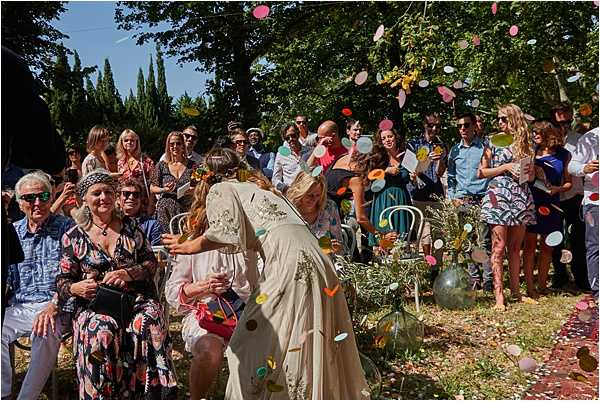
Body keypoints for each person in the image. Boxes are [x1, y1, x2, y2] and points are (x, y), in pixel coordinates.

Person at [162, 148, 369, 399]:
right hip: (318, 262)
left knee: (246, 345)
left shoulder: (223, 188)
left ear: (210, 178)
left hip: (289, 266)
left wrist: (187, 246)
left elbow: (225, 232)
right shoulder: (264, 189)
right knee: (303, 342)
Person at [56, 169, 177, 399]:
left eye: (108, 192)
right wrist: (77, 287)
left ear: (115, 196)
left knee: (149, 321)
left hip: (135, 300)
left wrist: (128, 273)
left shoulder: (131, 228)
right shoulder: (73, 236)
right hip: (95, 306)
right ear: (84, 200)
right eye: (96, 193)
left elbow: (151, 263)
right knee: (100, 331)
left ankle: (151, 393)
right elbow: (62, 281)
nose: (103, 198)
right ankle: (101, 393)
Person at [165, 176, 256, 398]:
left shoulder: (251, 237)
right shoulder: (193, 239)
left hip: (249, 312)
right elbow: (173, 292)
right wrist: (204, 287)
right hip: (207, 315)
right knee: (208, 350)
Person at [1, 172, 73, 400]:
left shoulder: (67, 228)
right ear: (20, 203)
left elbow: (75, 274)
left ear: (52, 197)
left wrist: (54, 305)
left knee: (45, 329)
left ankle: (26, 398)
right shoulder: (11, 232)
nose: (37, 203)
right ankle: (2, 394)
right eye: (29, 198)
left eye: (43, 196)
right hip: (20, 304)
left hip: (55, 304)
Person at [478, 104, 536, 311]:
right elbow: (481, 172)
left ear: (514, 119)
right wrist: (505, 167)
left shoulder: (527, 144)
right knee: (499, 247)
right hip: (498, 196)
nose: (500, 122)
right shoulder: (492, 142)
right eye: (498, 119)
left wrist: (528, 173)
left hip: (520, 195)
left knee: (515, 247)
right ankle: (499, 295)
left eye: (503, 118)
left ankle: (516, 292)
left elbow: (532, 176)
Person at [523, 121, 572, 298]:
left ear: (548, 133)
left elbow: (568, 183)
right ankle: (530, 287)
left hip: (552, 204)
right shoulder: (530, 151)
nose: (534, 134)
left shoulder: (563, 154)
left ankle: (543, 286)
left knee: (547, 247)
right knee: (528, 246)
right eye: (533, 131)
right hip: (532, 202)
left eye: (538, 132)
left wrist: (556, 189)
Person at [447, 113, 492, 291]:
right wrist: (453, 198)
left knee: (485, 241)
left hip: (481, 199)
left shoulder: (484, 148)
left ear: (474, 126)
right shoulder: (454, 150)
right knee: (467, 242)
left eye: (466, 125)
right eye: (459, 126)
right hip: (462, 200)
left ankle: (489, 279)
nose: (463, 129)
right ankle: (474, 277)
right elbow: (450, 177)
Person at [550, 103, 588, 290]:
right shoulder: (546, 143)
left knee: (578, 238)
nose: (563, 126)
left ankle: (581, 276)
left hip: (574, 196)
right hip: (554, 197)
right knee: (555, 237)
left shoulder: (581, 140)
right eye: (559, 122)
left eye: (567, 121)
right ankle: (559, 274)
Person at [407, 113, 448, 259]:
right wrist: (425, 162)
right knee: (423, 233)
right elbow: (410, 171)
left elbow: (440, 173)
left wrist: (440, 161)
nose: (434, 128)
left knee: (439, 233)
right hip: (418, 194)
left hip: (436, 194)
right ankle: (427, 262)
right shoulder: (413, 144)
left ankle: (436, 266)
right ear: (425, 125)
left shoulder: (442, 145)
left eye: (437, 125)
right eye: (431, 125)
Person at [367, 128, 412, 248]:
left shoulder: (406, 156)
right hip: (383, 199)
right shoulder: (377, 157)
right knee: (385, 237)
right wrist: (385, 171)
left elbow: (414, 178)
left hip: (401, 198)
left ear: (395, 137)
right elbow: (369, 177)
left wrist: (415, 176)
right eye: (383, 138)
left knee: (401, 239)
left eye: (390, 136)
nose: (387, 140)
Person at [568, 127, 599, 299]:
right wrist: (585, 168)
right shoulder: (591, 137)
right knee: (595, 247)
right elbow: (572, 166)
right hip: (595, 201)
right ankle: (598, 291)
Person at [286, 171, 344, 254]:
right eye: (310, 195)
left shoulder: (329, 208)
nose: (314, 200)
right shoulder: (289, 209)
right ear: (300, 192)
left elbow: (340, 245)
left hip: (325, 259)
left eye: (318, 195)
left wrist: (335, 248)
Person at [150, 131, 196, 233]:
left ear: (183, 145)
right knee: (166, 241)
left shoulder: (193, 165)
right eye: (172, 144)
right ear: (168, 146)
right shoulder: (162, 165)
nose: (175, 146)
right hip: (165, 209)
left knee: (185, 241)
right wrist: (164, 189)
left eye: (178, 143)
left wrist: (192, 191)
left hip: (186, 209)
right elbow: (152, 188)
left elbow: (200, 187)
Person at [118, 178, 162, 246]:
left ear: (140, 199)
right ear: (118, 199)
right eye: (126, 194)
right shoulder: (111, 224)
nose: (131, 197)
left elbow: (156, 252)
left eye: (136, 194)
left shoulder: (152, 225)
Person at [271, 123, 312, 193]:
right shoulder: (281, 155)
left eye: (293, 135)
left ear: (298, 134)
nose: (290, 139)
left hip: (308, 193)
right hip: (290, 195)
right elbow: (275, 179)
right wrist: (284, 188)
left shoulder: (310, 152)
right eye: (287, 138)